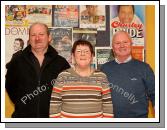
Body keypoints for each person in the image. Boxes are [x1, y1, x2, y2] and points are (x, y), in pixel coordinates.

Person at [5, 22, 70, 118]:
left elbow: (68, 91)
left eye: (41, 34)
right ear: (29, 39)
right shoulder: (17, 60)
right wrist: (23, 103)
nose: (37, 38)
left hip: (52, 119)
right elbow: (10, 86)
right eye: (33, 35)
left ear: (49, 37)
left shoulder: (61, 63)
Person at [49, 40, 114, 118]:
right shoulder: (62, 76)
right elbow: (54, 106)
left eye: (86, 51)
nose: (83, 54)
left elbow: (107, 107)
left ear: (92, 56)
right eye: (79, 51)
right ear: (73, 56)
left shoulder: (101, 77)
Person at [101, 31, 155, 118]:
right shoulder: (104, 69)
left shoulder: (144, 68)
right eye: (117, 43)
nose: (122, 45)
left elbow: (155, 95)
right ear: (113, 47)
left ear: (131, 44)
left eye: (125, 42)